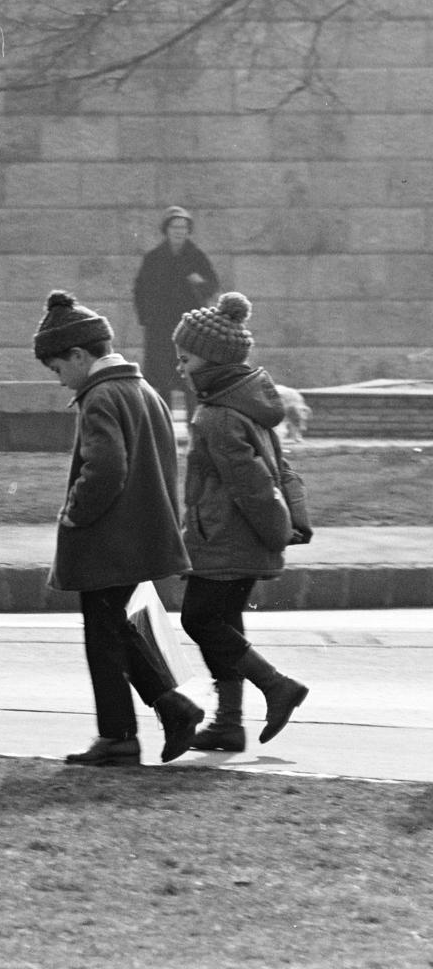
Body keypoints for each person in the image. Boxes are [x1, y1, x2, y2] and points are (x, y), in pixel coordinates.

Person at [34, 289, 204, 767]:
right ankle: (172, 710)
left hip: (110, 539)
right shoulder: (141, 389)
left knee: (102, 637)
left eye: (58, 368)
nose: (61, 380)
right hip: (141, 534)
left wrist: (75, 511)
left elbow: (106, 468)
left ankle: (119, 736)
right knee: (114, 630)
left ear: (79, 354)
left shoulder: (100, 396)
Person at [173, 292, 312, 752]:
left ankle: (276, 687)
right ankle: (229, 723)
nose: (180, 366)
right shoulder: (248, 404)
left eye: (186, 357)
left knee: (199, 620)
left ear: (211, 361)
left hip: (225, 542)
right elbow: (281, 468)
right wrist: (295, 520)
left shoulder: (216, 416)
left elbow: (254, 485)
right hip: (238, 540)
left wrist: (280, 530)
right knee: (224, 624)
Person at [133, 206, 220, 421]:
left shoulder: (196, 256)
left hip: (188, 329)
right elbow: (140, 289)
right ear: (166, 229)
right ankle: (163, 425)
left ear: (188, 231)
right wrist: (146, 318)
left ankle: (195, 425)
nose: (179, 231)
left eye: (183, 227)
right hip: (161, 329)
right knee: (162, 378)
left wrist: (200, 282)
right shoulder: (154, 258)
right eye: (174, 227)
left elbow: (213, 285)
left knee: (190, 376)